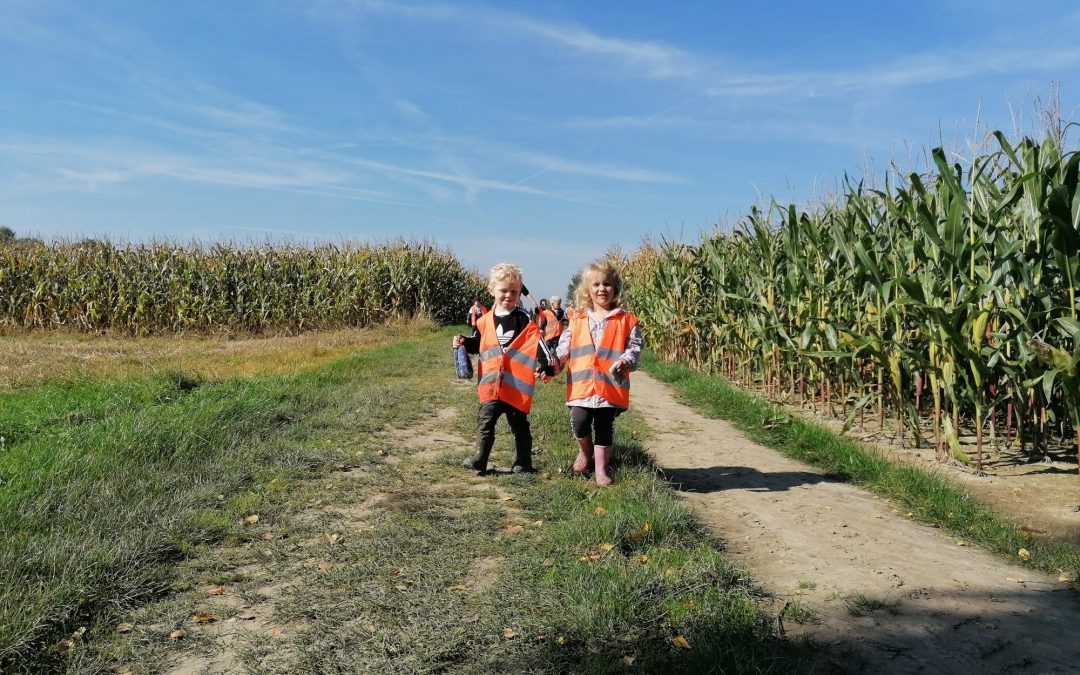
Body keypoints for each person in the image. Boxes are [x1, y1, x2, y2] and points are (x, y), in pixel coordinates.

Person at [453, 263, 555, 475]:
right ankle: (479, 460)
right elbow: (477, 343)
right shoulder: (483, 321)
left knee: (519, 425)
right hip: (490, 383)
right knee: (485, 422)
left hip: (515, 385)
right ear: (492, 290)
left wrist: (547, 364)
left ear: (519, 292)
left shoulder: (523, 318)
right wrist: (464, 342)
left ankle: (523, 462)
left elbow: (537, 340)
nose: (509, 295)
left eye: (514, 291)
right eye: (503, 290)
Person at [552, 260, 643, 486]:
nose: (602, 289)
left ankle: (601, 469)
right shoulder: (577, 317)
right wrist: (556, 361)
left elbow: (635, 347)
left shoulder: (626, 319)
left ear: (616, 288)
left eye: (607, 284)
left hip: (609, 386)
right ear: (587, 290)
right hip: (582, 385)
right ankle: (585, 452)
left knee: (604, 426)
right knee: (579, 421)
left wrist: (626, 360)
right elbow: (566, 345)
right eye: (596, 285)